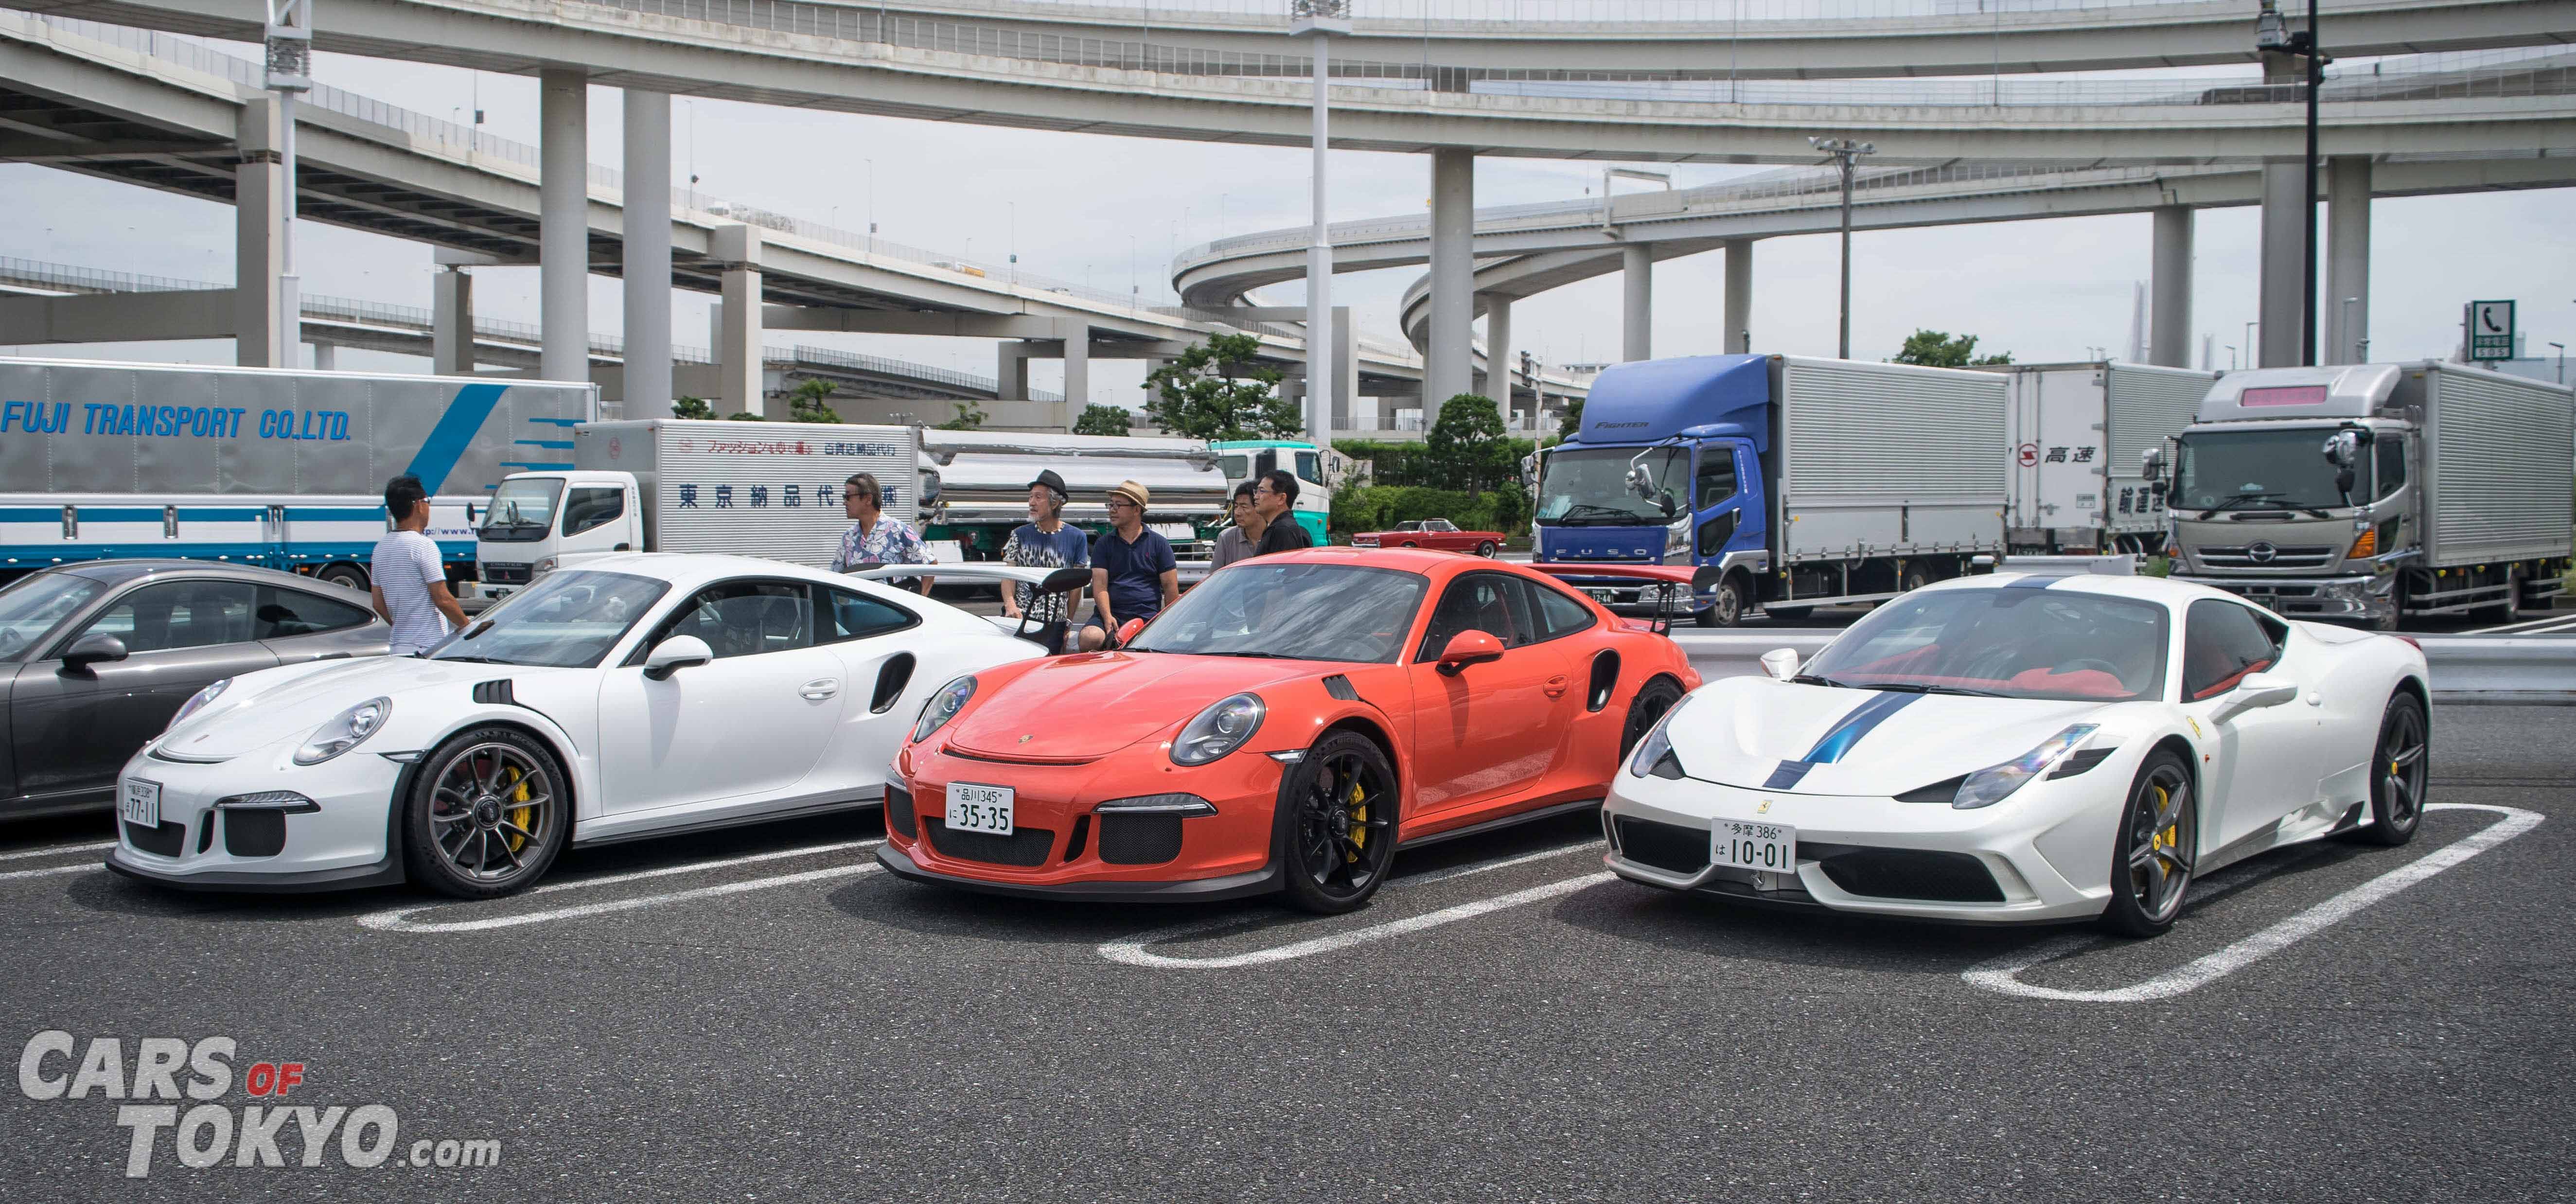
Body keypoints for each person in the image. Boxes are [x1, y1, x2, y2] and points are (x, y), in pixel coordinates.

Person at [370, 475, 468, 656]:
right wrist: (468, 627)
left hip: (398, 647)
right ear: (418, 505)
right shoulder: (423, 546)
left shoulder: (380, 548)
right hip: (427, 647)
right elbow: (443, 599)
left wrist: (401, 626)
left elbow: (378, 602)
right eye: (427, 501)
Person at [1078, 479, 1178, 651]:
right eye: (1110, 505)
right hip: (1111, 613)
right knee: (1089, 637)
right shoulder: (1104, 544)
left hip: (1147, 616)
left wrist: (1170, 624)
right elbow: (1100, 586)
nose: (1112, 510)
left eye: (1119, 505)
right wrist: (1107, 616)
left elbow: (1170, 588)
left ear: (1137, 509)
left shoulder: (1159, 544)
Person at [999, 469, 1089, 653]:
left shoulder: (1077, 537)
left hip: (1055, 622)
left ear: (1055, 502)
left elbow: (1075, 588)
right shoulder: (1020, 534)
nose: (1031, 502)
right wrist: (1010, 605)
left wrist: (1068, 622)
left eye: (1038, 497)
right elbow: (1008, 576)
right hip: (1020, 618)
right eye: (1031, 497)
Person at [832, 471, 935, 594]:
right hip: (856, 611)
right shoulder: (848, 537)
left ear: (868, 499)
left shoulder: (898, 530)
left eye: (848, 496)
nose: (845, 502)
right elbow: (835, 577)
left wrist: (919, 602)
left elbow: (930, 564)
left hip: (890, 611)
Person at [1251, 468, 1315, 557]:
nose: (1256, 497)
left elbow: (1280, 568)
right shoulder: (1279, 526)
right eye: (1256, 491)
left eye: (1262, 491)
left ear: (1281, 499)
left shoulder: (1284, 529)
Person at [1210, 480, 1264, 569]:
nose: (1237, 513)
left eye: (1244, 507)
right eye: (1236, 507)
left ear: (1259, 507)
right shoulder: (1226, 537)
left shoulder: (1274, 536)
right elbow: (1215, 575)